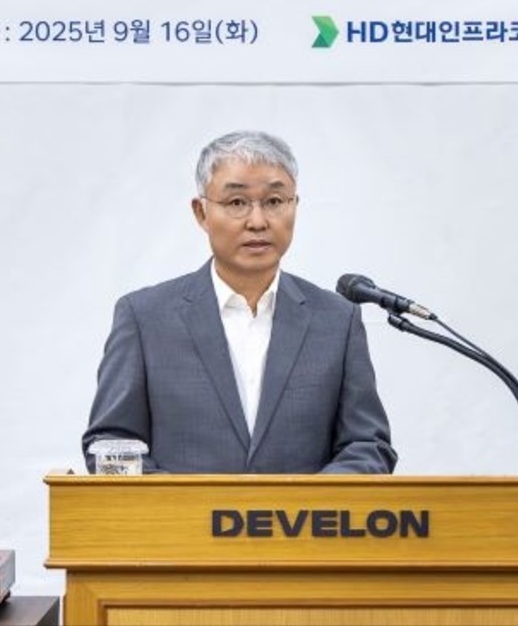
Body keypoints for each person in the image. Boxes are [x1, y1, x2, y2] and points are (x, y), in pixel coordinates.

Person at [83, 130, 396, 474]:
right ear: (201, 212)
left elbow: (367, 446)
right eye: (236, 203)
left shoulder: (337, 320)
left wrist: (306, 501)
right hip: (180, 512)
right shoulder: (145, 318)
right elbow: (109, 446)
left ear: (295, 206)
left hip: (303, 512)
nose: (257, 221)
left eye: (274, 201)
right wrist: (186, 503)